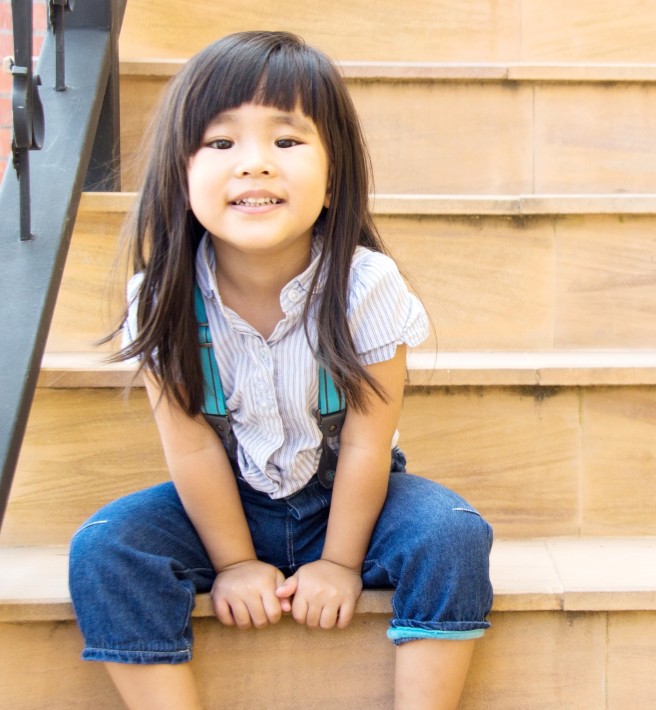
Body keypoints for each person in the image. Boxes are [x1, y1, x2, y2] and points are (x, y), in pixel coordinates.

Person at [67, 31, 493, 709]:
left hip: (351, 500)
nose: (255, 165)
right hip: (225, 504)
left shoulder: (365, 285)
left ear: (333, 177)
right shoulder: (161, 295)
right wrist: (235, 563)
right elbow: (192, 445)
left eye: (287, 142)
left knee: (452, 535)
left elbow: (364, 442)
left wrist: (339, 563)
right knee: (106, 549)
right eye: (221, 142)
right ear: (181, 174)